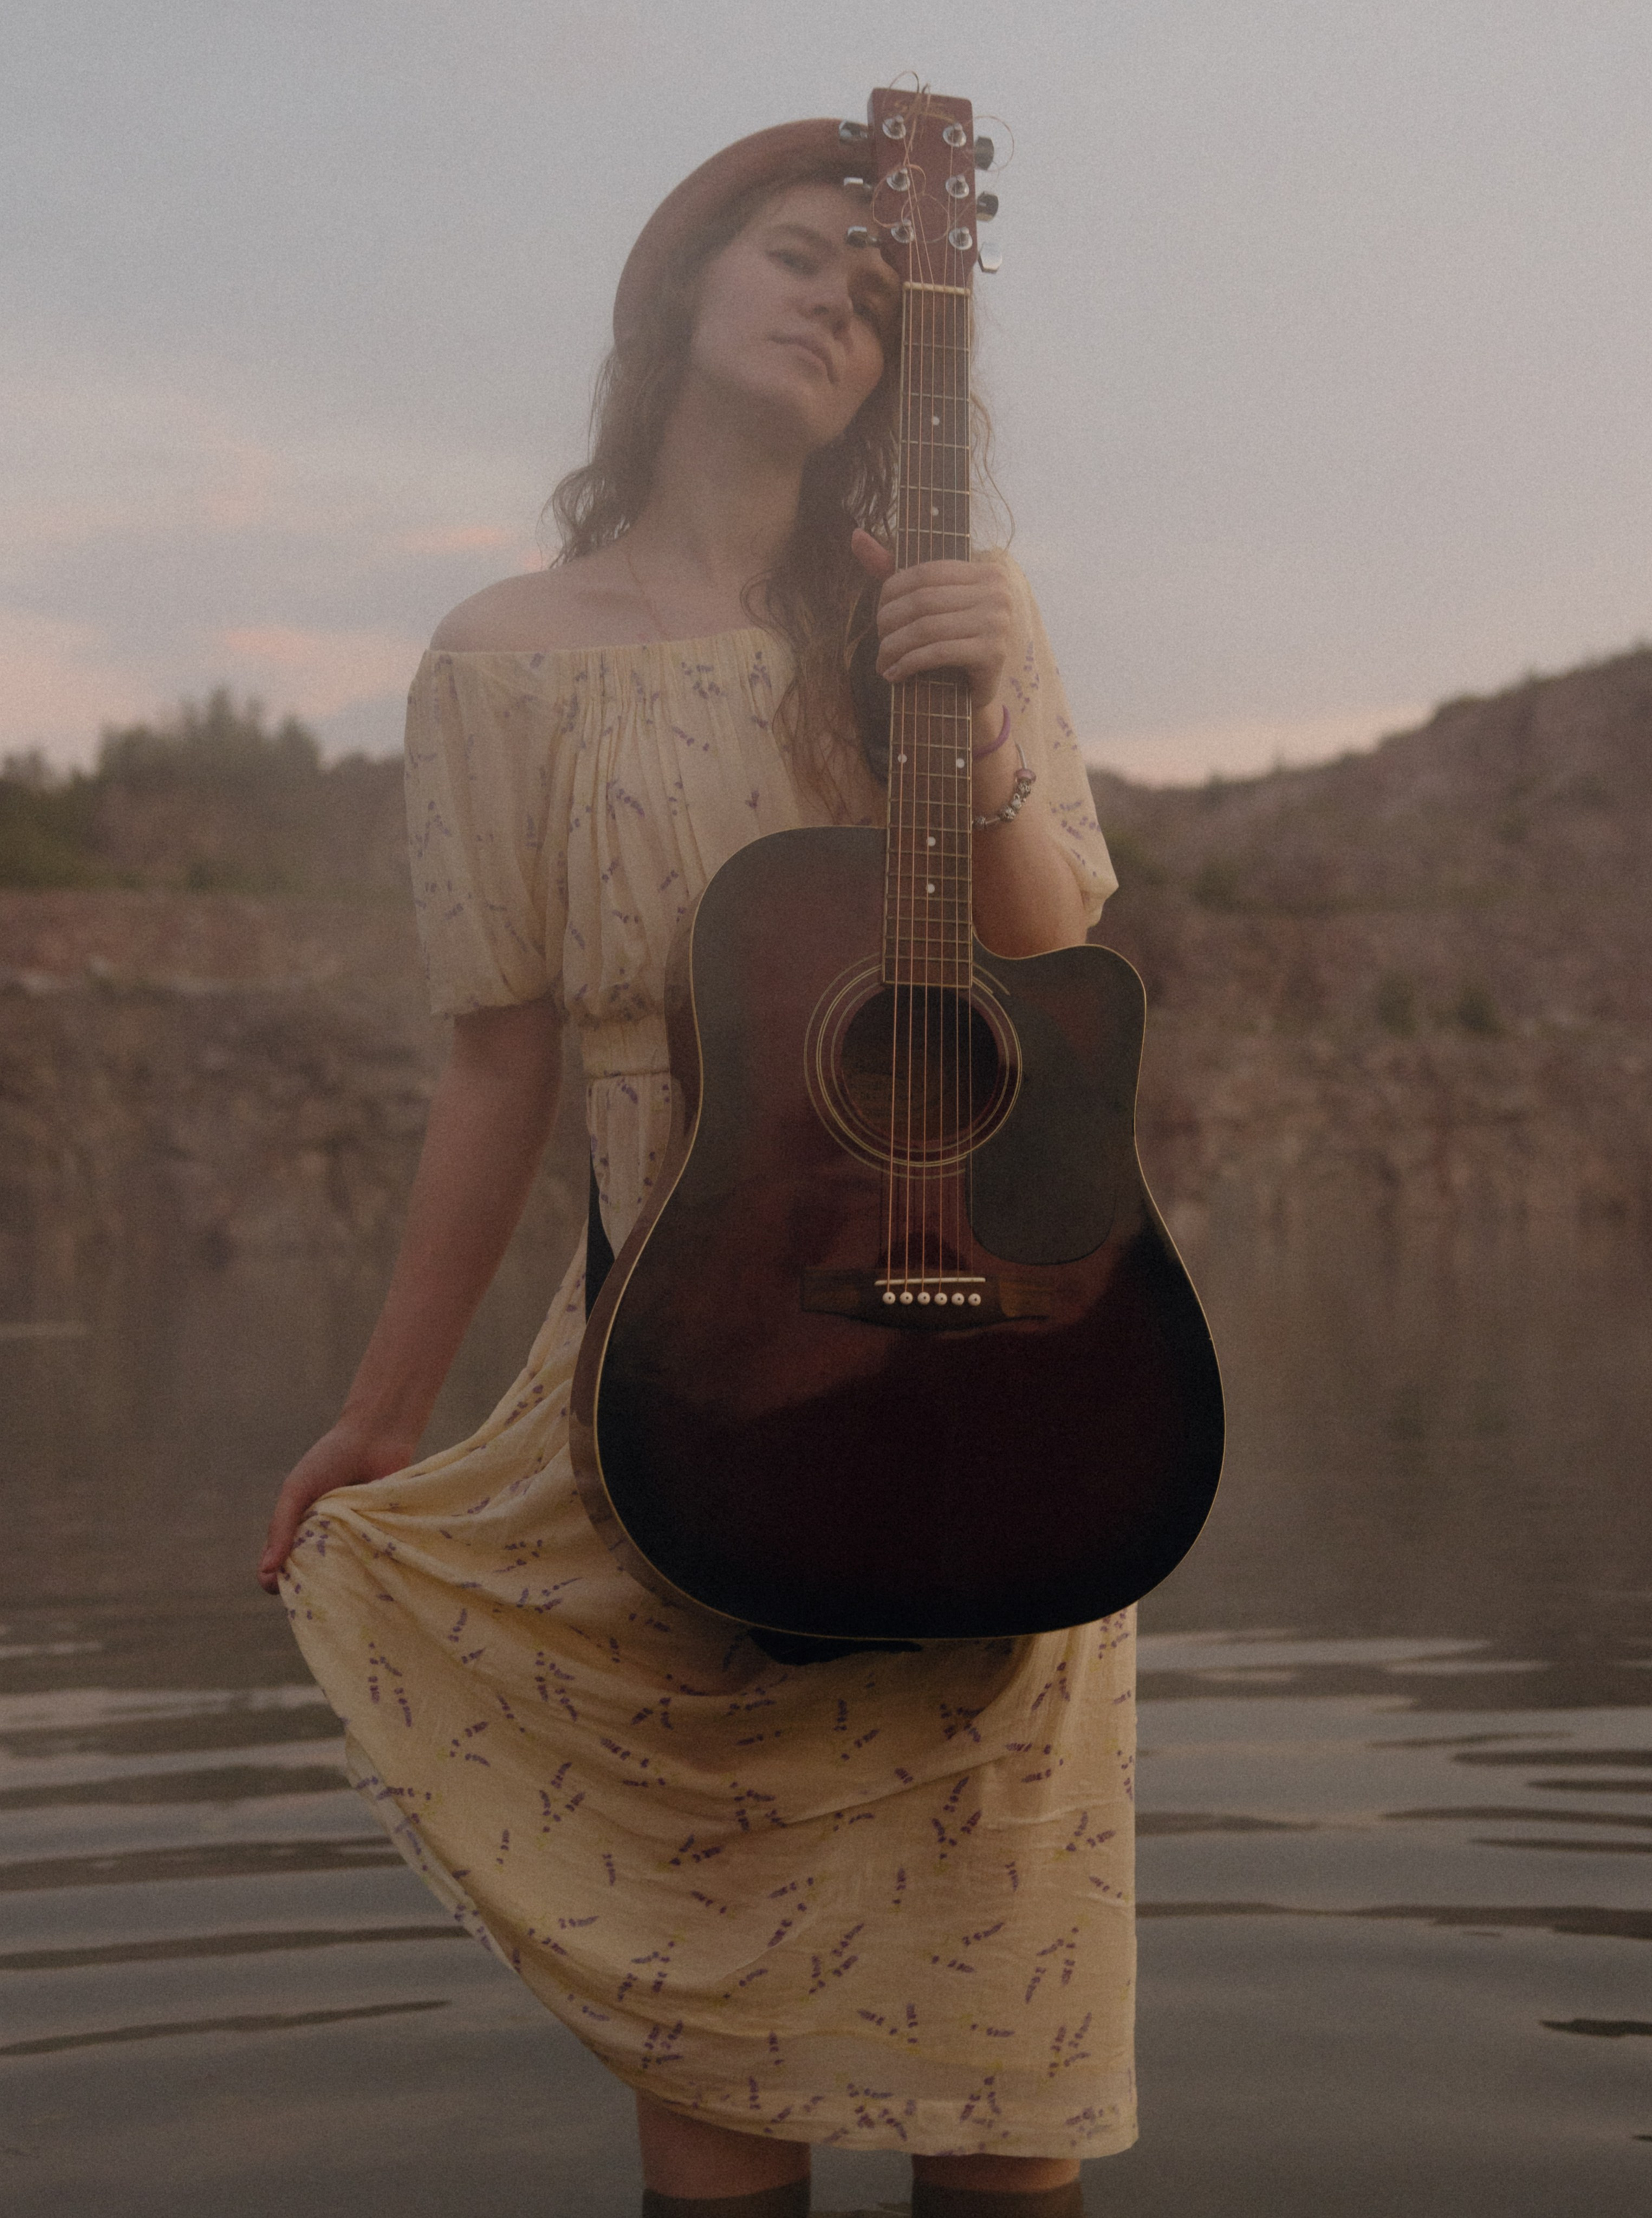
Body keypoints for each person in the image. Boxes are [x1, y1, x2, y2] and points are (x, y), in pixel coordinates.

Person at [260, 116, 1131, 2218]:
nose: (845, 295)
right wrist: (381, 1415)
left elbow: (1059, 960)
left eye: (878, 288)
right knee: (724, 2061)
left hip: (993, 1384)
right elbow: (498, 1072)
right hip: (683, 1383)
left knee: (1005, 2090)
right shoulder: (502, 656)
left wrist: (980, 732)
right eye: (803, 253)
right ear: (676, 291)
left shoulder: (949, 605)